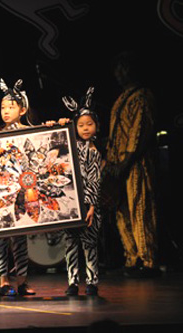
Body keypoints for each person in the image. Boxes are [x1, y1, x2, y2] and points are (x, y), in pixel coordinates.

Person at [103, 51, 160, 278]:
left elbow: (139, 133)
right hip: (119, 165)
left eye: (123, 68)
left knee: (141, 208)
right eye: (117, 69)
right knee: (122, 212)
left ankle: (148, 261)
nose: (119, 73)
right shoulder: (121, 99)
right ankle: (132, 257)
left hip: (136, 164)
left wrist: (125, 161)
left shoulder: (143, 96)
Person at [0, 79, 36, 297]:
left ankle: (22, 281)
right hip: (3, 191)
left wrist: (54, 127)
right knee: (0, 237)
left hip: (23, 191)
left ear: (22, 109)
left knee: (20, 238)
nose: (6, 111)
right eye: (2, 107)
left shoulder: (31, 132)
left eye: (11, 107)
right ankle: (3, 281)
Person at [54, 87, 102, 296]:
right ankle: (72, 281)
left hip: (88, 206)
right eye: (81, 125)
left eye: (89, 124)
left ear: (96, 126)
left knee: (89, 244)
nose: (85, 128)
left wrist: (91, 206)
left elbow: (94, 180)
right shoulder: (70, 146)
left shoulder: (94, 151)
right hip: (70, 205)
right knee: (71, 244)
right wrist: (58, 125)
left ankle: (92, 281)